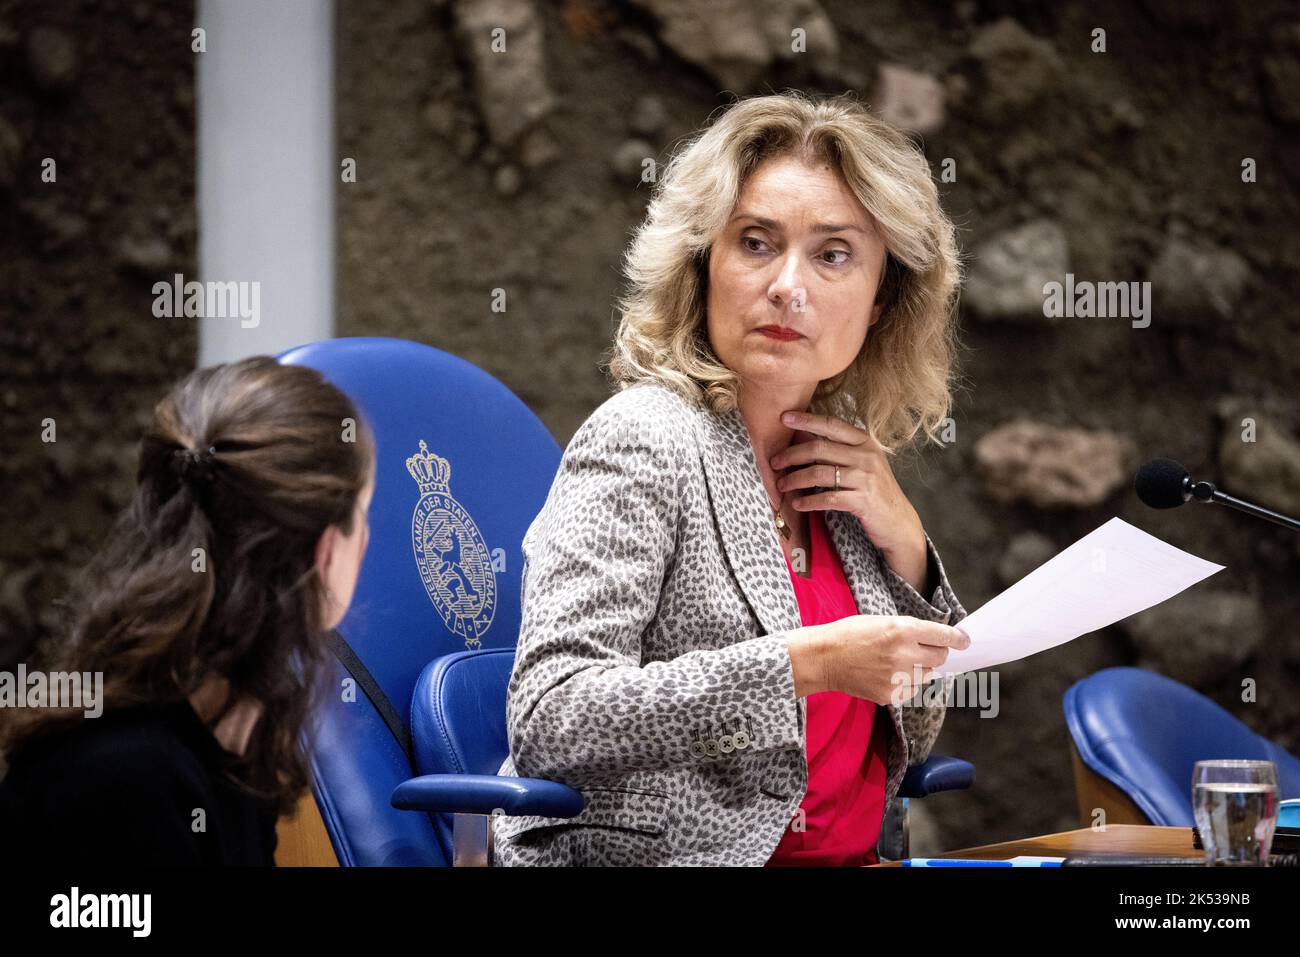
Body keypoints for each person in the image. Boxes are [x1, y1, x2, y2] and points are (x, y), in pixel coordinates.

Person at [493, 91, 971, 866]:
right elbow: (554, 717)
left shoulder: (845, 470)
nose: (788, 285)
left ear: (883, 301)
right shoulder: (645, 437)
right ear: (702, 263)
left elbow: (908, 738)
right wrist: (808, 663)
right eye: (755, 242)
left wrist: (909, 549)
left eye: (833, 254)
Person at [0, 356, 375, 865]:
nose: (369, 539)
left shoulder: (224, 738)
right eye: (364, 513)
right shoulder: (127, 781)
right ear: (327, 552)